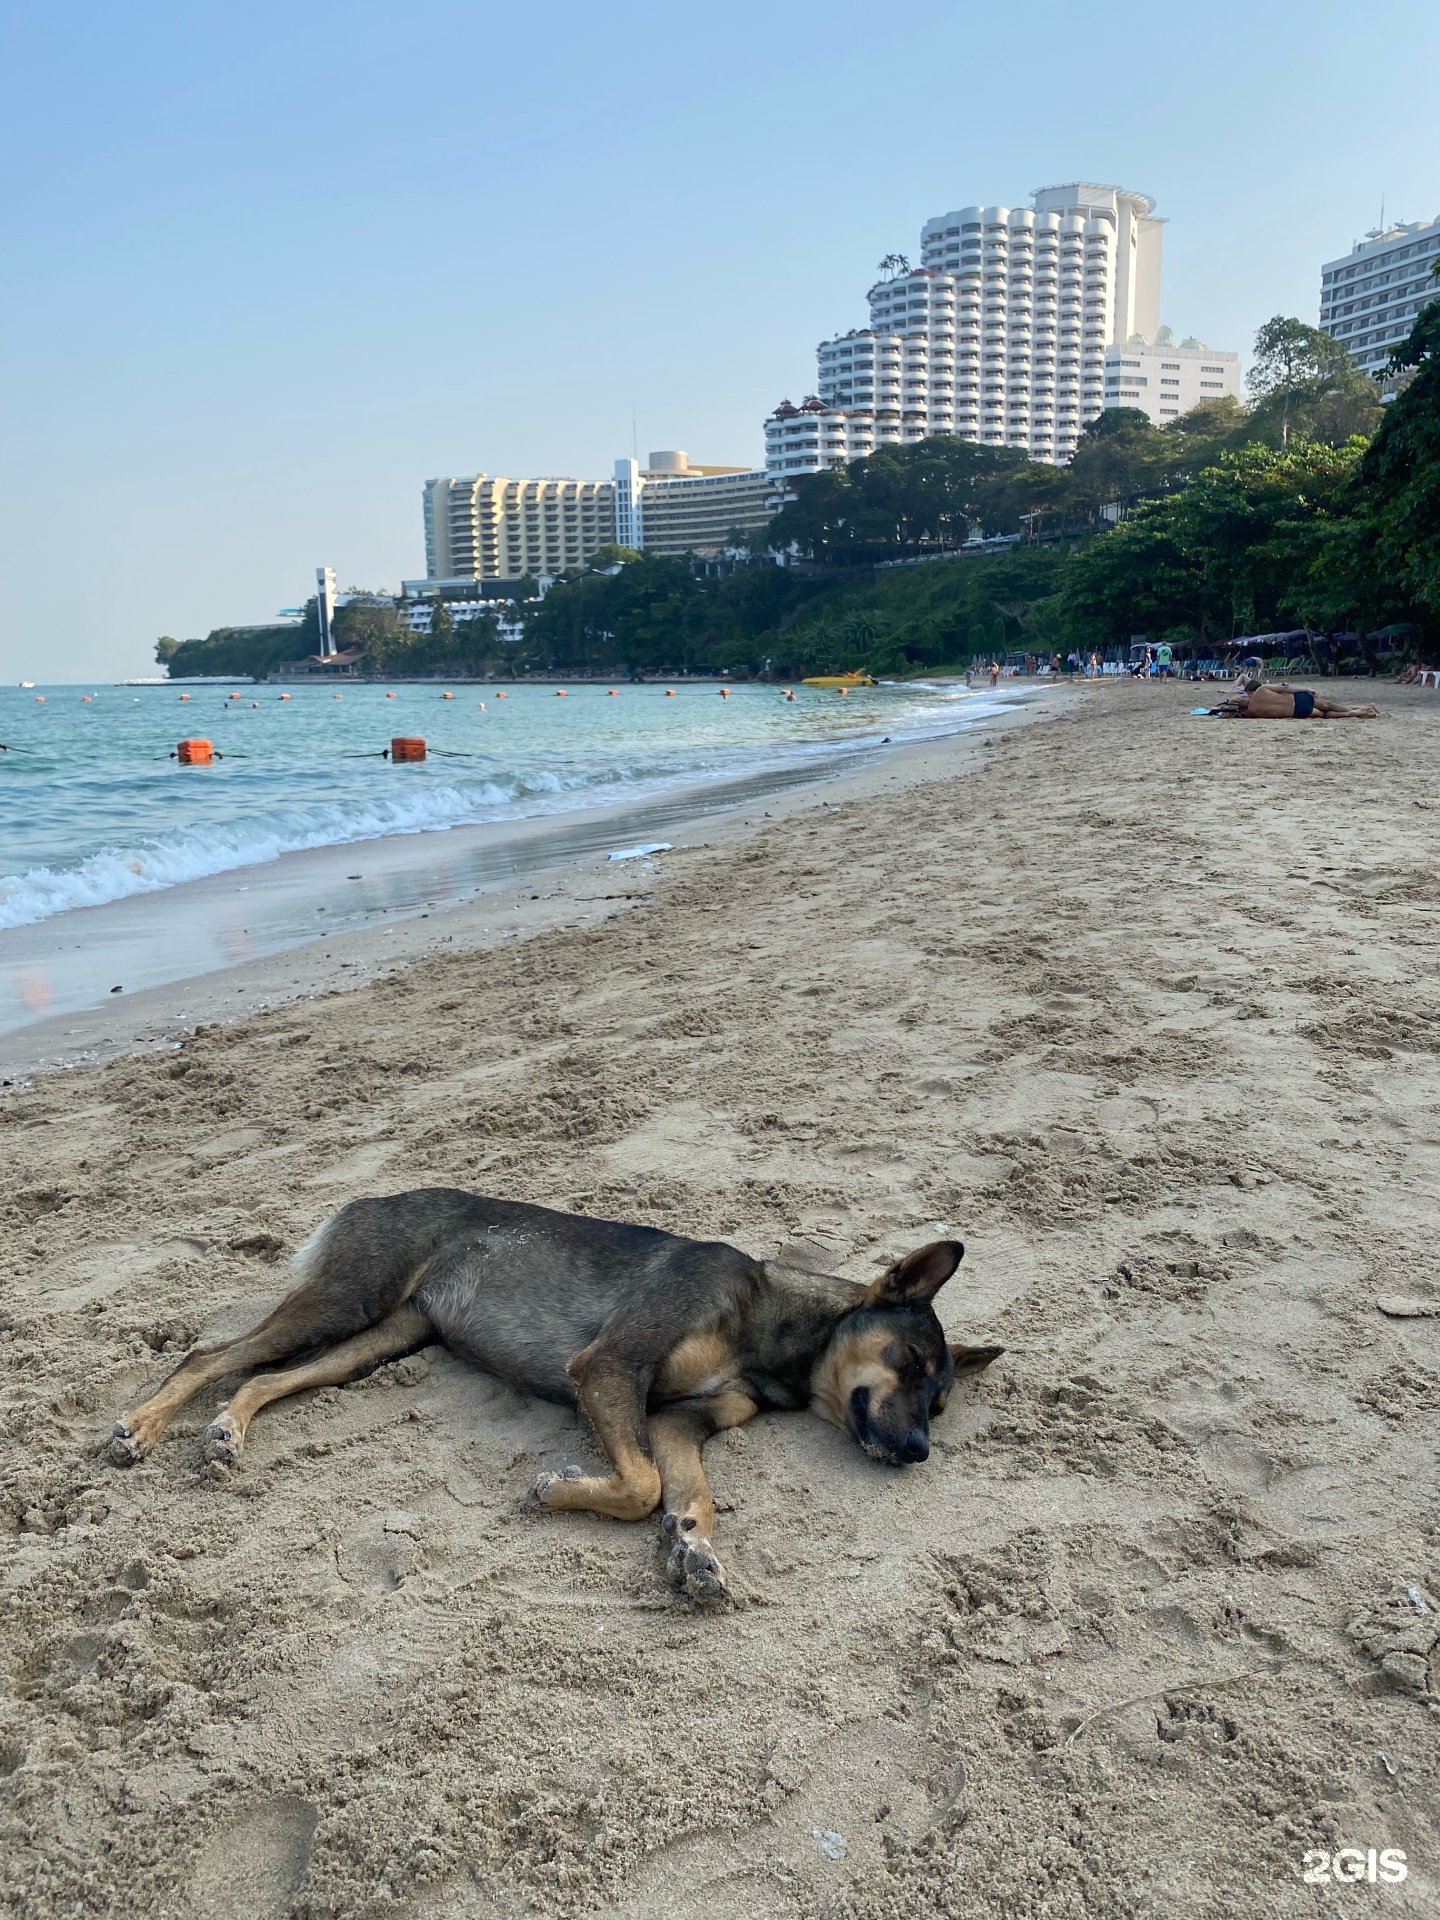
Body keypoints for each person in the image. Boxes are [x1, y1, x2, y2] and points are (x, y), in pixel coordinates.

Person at [1227, 679, 1378, 719]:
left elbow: (1233, 713)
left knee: (1324, 714)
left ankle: (1353, 712)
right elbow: (1284, 688)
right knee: (1328, 705)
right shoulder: (1261, 689)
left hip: (1298, 712)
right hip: (1298, 699)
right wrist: (1306, 689)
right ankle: (1358, 710)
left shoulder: (1252, 713)